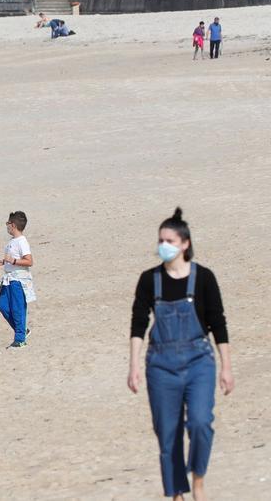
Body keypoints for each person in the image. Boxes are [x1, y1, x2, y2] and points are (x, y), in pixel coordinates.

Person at [128, 208, 233, 501]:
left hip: (199, 361)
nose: (164, 245)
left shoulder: (204, 278)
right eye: (161, 240)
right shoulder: (150, 280)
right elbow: (138, 323)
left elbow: (218, 323)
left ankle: (198, 480)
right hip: (160, 365)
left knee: (200, 422)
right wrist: (133, 366)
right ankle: (177, 494)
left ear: (185, 243)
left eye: (170, 240)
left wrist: (226, 367)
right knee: (167, 432)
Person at [0, 210, 35, 348]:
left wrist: (12, 260)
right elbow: (12, 260)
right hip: (8, 279)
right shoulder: (11, 241)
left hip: (19, 280)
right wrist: (4, 262)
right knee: (3, 306)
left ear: (13, 225)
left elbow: (29, 261)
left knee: (18, 309)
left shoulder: (22, 241)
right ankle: (23, 330)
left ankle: (20, 339)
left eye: (8, 223)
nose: (6, 226)